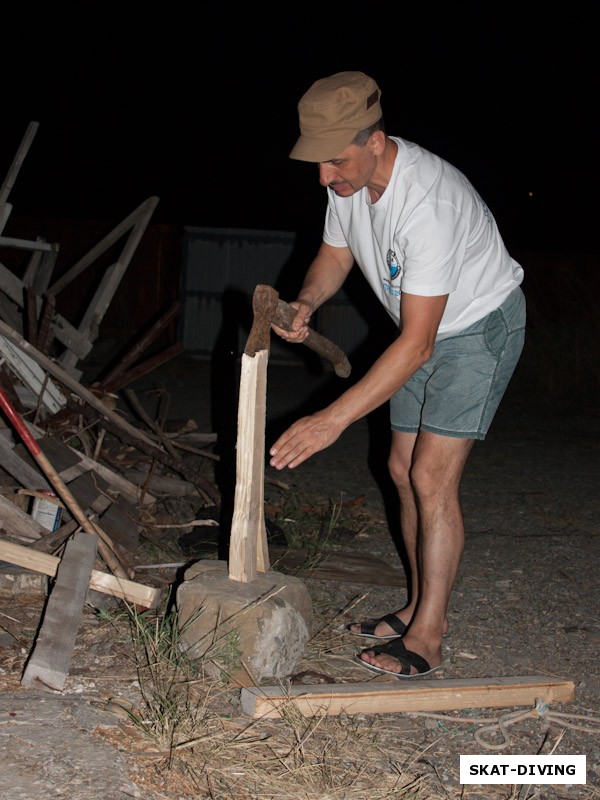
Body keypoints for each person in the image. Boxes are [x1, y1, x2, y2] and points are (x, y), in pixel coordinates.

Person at [269, 71, 526, 678]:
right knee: (398, 468)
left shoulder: (428, 203)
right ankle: (414, 606)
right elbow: (336, 254)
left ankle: (429, 636)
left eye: (335, 160)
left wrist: (331, 419)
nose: (325, 176)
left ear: (376, 140)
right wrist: (307, 300)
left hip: (477, 329)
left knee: (431, 476)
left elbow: (416, 345)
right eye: (318, 163)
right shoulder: (347, 182)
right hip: (420, 332)